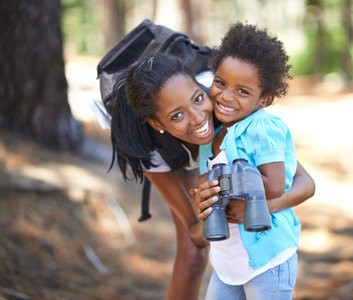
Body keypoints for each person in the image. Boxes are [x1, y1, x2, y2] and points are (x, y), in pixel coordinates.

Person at [105, 53, 315, 300]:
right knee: (192, 254)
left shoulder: (225, 104)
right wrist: (205, 210)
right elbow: (197, 233)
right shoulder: (151, 150)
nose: (197, 118)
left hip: (268, 258)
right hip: (227, 262)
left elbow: (304, 182)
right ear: (157, 123)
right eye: (177, 115)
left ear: (201, 87)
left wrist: (261, 207)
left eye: (197, 99)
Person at [193, 22, 307, 299]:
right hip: (227, 261)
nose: (226, 96)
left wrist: (237, 190)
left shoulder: (260, 128)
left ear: (265, 100)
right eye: (220, 83)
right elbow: (205, 180)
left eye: (242, 91)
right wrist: (202, 192)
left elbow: (277, 184)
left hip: (267, 259)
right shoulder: (213, 130)